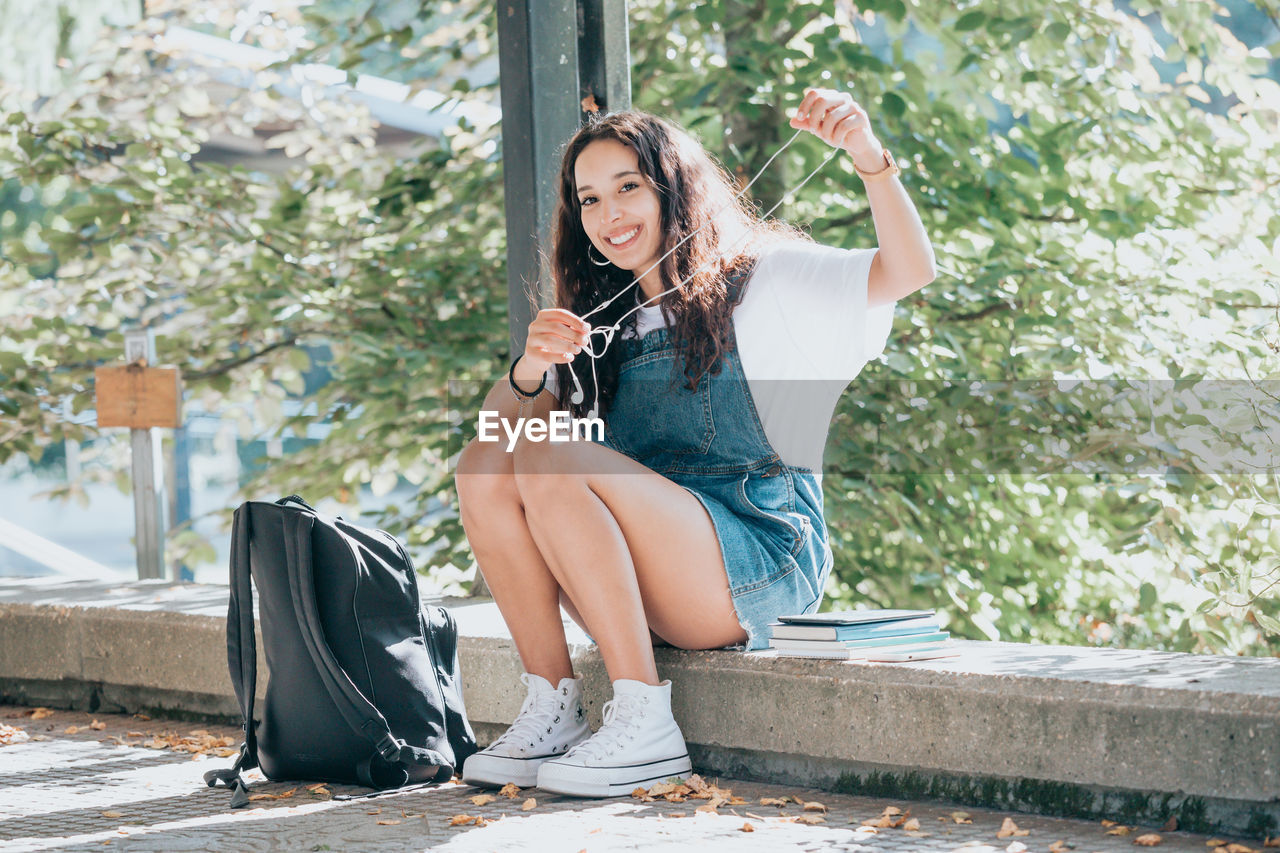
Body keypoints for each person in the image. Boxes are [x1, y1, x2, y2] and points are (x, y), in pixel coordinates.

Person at [454, 87, 936, 797]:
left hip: (760, 558)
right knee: (486, 464)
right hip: (651, 575)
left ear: (673, 187)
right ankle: (552, 702)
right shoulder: (601, 325)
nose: (609, 214)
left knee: (550, 450)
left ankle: (644, 717)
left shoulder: (761, 278)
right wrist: (531, 366)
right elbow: (490, 442)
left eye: (627, 187)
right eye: (589, 200)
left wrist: (868, 158)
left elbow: (909, 272)